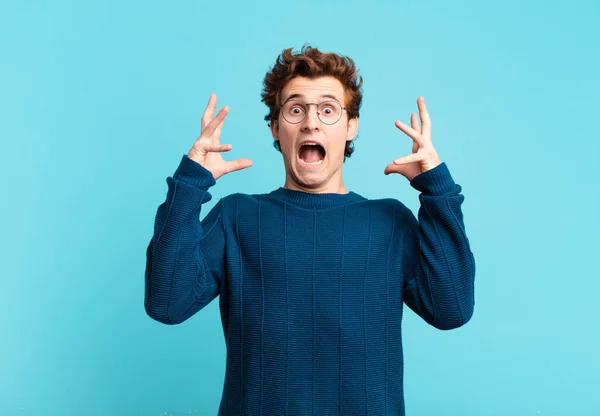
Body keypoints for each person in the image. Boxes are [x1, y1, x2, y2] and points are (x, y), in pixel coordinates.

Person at [144, 45, 476, 416]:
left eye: (328, 110)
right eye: (296, 109)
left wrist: (437, 190)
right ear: (275, 126)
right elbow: (166, 303)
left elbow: (452, 310)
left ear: (351, 127)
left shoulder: (391, 222)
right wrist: (190, 182)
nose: (311, 123)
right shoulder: (236, 217)